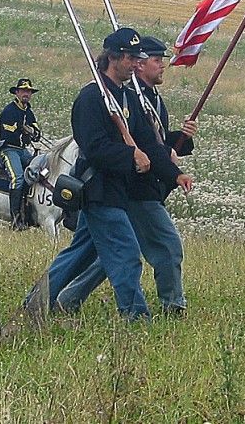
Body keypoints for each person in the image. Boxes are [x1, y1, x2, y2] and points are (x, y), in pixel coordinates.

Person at [34, 28, 191, 322]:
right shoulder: (92, 98)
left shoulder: (126, 97)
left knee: (78, 256)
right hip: (99, 191)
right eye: (131, 58)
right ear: (114, 58)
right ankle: (135, 316)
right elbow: (93, 147)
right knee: (127, 254)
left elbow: (148, 143)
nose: (136, 64)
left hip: (119, 190)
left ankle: (35, 303)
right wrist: (129, 155)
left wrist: (174, 174)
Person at [0, 78, 41, 230]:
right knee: (18, 177)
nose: (26, 94)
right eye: (23, 91)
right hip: (8, 149)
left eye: (28, 91)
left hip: (23, 150)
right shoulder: (9, 110)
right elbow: (7, 132)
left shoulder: (28, 111)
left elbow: (37, 133)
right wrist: (22, 129)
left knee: (38, 171)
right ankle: (15, 219)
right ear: (17, 92)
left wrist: (32, 131)